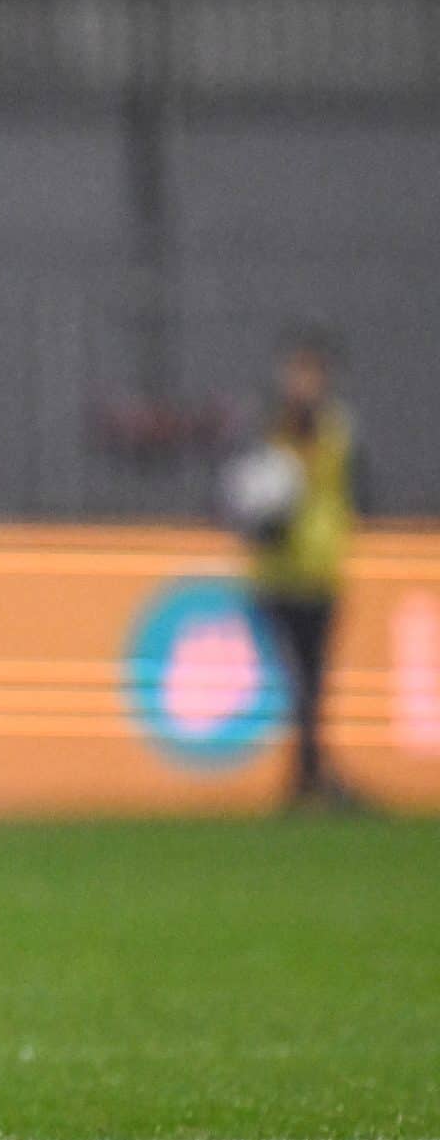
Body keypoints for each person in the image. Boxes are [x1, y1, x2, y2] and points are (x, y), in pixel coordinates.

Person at [246, 330, 365, 810]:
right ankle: (309, 777)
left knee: (313, 681)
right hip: (277, 575)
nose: (302, 382)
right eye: (296, 372)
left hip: (319, 570)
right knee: (297, 680)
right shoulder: (271, 427)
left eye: (310, 372)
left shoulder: (331, 427)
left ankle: (310, 776)